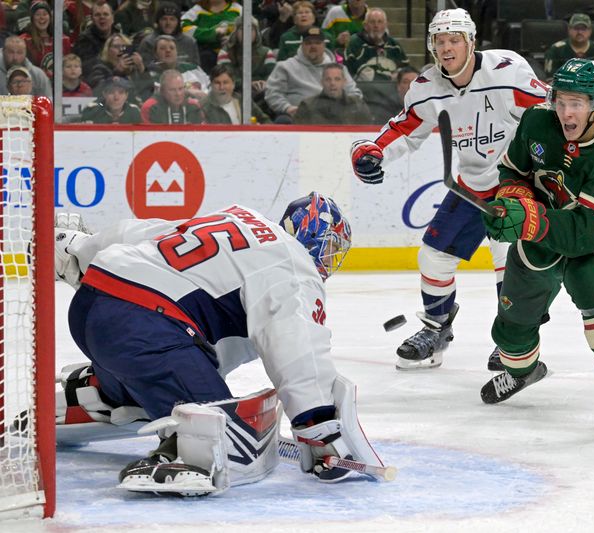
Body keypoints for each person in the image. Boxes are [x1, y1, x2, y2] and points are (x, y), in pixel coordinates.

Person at [53, 193, 384, 494]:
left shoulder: (238, 216)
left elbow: (140, 233)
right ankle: (188, 454)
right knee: (224, 436)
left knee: (169, 363)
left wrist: (79, 250)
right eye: (329, 246)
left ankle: (98, 394)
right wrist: (318, 425)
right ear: (309, 234)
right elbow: (297, 344)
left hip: (92, 311)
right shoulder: (292, 261)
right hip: (141, 326)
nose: (328, 258)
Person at [349, 8, 548, 371]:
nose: (446, 48)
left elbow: (549, 116)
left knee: (509, 258)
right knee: (433, 256)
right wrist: (371, 150)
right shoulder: (428, 89)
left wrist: (560, 168)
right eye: (439, 41)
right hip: (471, 186)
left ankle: (514, 338)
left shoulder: (507, 71)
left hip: (515, 182)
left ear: (471, 42)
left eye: (454, 40)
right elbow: (404, 129)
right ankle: (437, 330)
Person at [477, 58, 594, 437]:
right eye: (561, 101)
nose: (566, 112)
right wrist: (512, 201)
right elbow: (514, 172)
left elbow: (589, 230)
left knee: (588, 278)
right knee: (512, 326)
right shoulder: (537, 120)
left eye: (577, 104)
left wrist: (529, 220)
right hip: (541, 232)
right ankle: (523, 371)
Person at [265, 26, 361, 123]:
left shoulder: (339, 69)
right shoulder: (285, 67)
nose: (313, 47)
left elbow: (354, 93)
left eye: (317, 43)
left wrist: (346, 108)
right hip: (300, 119)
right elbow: (273, 93)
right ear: (302, 45)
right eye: (308, 43)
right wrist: (287, 108)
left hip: (336, 118)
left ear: (324, 45)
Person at [294, 62, 373, 124]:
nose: (332, 83)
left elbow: (367, 133)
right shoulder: (307, 106)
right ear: (322, 82)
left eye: (337, 79)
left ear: (344, 82)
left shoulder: (357, 105)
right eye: (328, 79)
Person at [344, 8, 409, 81]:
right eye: (372, 22)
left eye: (380, 22)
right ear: (365, 25)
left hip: (392, 89)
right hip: (364, 88)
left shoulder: (394, 46)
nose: (376, 25)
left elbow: (405, 69)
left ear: (386, 25)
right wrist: (389, 78)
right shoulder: (355, 42)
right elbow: (358, 71)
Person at [181, 0, 244, 73]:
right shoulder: (197, 10)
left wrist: (233, 39)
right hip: (206, 56)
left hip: (233, 54)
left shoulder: (238, 9)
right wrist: (211, 33)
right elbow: (183, 28)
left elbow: (251, 28)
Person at [544, 13, 594, 81]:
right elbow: (550, 79)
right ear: (569, 29)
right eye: (576, 28)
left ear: (590, 31)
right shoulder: (556, 49)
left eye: (583, 29)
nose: (579, 32)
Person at [19, 1, 72, 80]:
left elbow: (68, 66)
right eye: (38, 14)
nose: (42, 17)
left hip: (60, 86)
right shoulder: (24, 41)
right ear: (32, 18)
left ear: (50, 17)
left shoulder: (63, 40)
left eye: (45, 14)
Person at [201, 62, 270, 123]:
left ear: (233, 84)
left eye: (225, 83)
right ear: (211, 85)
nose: (221, 87)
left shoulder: (243, 101)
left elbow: (265, 120)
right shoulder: (202, 107)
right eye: (217, 83)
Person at [138, 2, 201, 67]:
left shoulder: (189, 42)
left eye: (172, 19)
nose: (168, 23)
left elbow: (196, 69)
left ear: (178, 22)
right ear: (157, 22)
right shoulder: (148, 42)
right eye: (164, 19)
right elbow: (144, 71)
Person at [79, 76, 143, 123]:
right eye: (111, 92)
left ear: (126, 95)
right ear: (104, 94)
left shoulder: (133, 111)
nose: (116, 98)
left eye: (121, 93)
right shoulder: (92, 110)